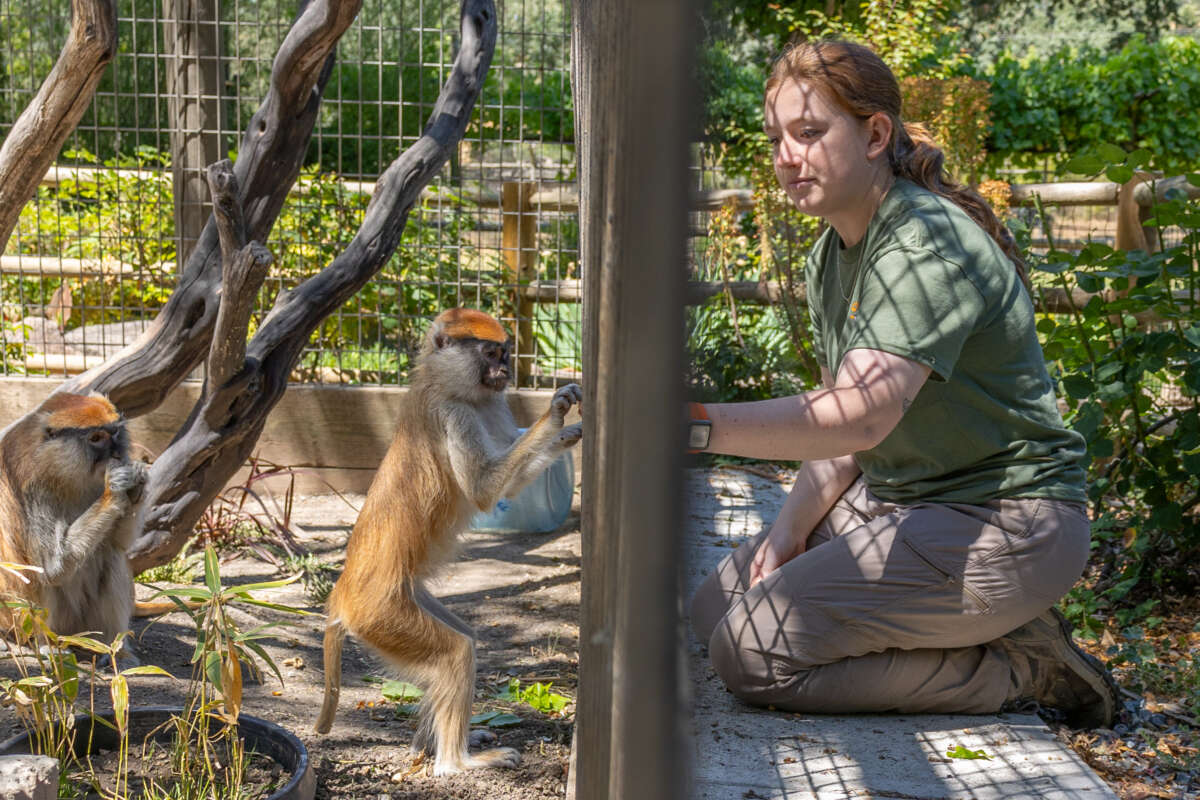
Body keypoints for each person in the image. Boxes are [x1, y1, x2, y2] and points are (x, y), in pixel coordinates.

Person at [686, 39, 1119, 728]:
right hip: (901, 506)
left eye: (808, 133)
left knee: (751, 654)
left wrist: (692, 423)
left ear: (875, 134)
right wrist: (785, 538)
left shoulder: (923, 242)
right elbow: (840, 440)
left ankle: (1020, 667)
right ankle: (963, 629)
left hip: (1005, 522)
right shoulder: (830, 253)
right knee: (708, 615)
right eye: (776, 139)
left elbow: (860, 417)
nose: (785, 158)